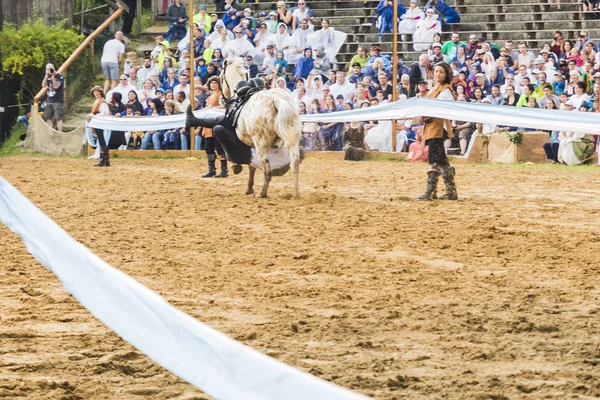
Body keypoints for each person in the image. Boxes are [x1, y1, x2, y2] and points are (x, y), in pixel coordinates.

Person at [186, 78, 295, 176]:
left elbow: (223, 120)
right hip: (271, 153)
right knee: (220, 127)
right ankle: (225, 165)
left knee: (220, 128)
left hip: (250, 154)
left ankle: (230, 164)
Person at [418, 62, 457, 201]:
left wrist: (429, 113)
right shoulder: (433, 90)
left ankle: (431, 190)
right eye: (436, 71)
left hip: (439, 128)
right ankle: (451, 190)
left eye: (441, 72)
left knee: (434, 159)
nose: (438, 74)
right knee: (442, 160)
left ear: (446, 74)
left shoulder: (446, 91)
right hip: (432, 128)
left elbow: (441, 109)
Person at [89, 86, 111, 166]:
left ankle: (103, 159)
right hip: (97, 122)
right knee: (101, 140)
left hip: (100, 122)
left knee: (101, 140)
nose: (96, 94)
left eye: (97, 92)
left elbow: (104, 113)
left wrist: (95, 117)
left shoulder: (102, 102)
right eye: (94, 92)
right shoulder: (97, 101)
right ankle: (104, 159)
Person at [41, 63, 65, 132]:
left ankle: (60, 134)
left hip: (57, 100)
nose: (49, 70)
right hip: (49, 100)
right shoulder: (47, 76)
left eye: (50, 69)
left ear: (53, 68)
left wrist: (53, 77)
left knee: (58, 118)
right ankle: (50, 133)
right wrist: (46, 76)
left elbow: (56, 86)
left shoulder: (59, 76)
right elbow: (43, 85)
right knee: (48, 118)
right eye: (47, 69)